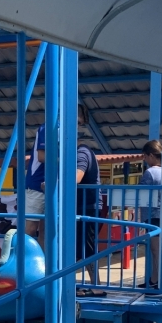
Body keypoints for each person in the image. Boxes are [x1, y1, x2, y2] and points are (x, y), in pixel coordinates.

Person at [75, 104, 102, 290]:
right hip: (81, 207)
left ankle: (96, 285)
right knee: (79, 248)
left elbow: (75, 179)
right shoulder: (81, 152)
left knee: (87, 248)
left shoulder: (82, 153)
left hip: (88, 208)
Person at [139, 139, 162, 288]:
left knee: (155, 250)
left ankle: (157, 281)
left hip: (153, 215)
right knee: (158, 250)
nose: (145, 160)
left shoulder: (150, 172)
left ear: (151, 156)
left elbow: (141, 192)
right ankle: (154, 280)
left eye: (145, 156)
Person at [23, 125, 45, 241]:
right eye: (77, 122)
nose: (77, 126)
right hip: (37, 185)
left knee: (46, 230)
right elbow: (42, 156)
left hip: (53, 187)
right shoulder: (48, 128)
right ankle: (22, 257)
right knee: (31, 228)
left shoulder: (68, 132)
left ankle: (44, 259)